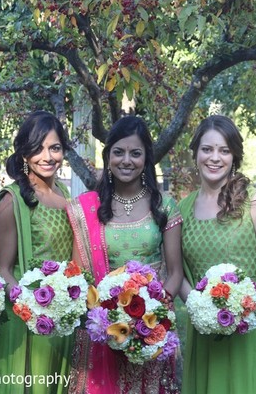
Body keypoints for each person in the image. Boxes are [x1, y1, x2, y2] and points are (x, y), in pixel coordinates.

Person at [66, 115, 183, 394]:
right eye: (118, 152)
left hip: (151, 326)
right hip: (102, 326)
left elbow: (176, 270)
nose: (126, 160)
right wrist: (105, 316)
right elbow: (79, 275)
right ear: (108, 157)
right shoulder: (89, 208)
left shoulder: (163, 205)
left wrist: (155, 314)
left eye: (135, 153)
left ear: (146, 158)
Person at [178, 115, 256, 394]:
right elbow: (177, 272)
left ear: (234, 156)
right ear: (196, 152)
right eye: (207, 149)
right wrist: (202, 309)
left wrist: (245, 308)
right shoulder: (182, 209)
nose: (215, 158)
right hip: (204, 332)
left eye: (224, 150)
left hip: (248, 331)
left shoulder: (254, 201)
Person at [0, 111, 74, 394]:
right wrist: (34, 309)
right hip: (26, 319)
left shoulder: (66, 195)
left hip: (64, 316)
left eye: (55, 147)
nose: (47, 156)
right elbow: (2, 268)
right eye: (38, 148)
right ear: (24, 154)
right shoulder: (12, 200)